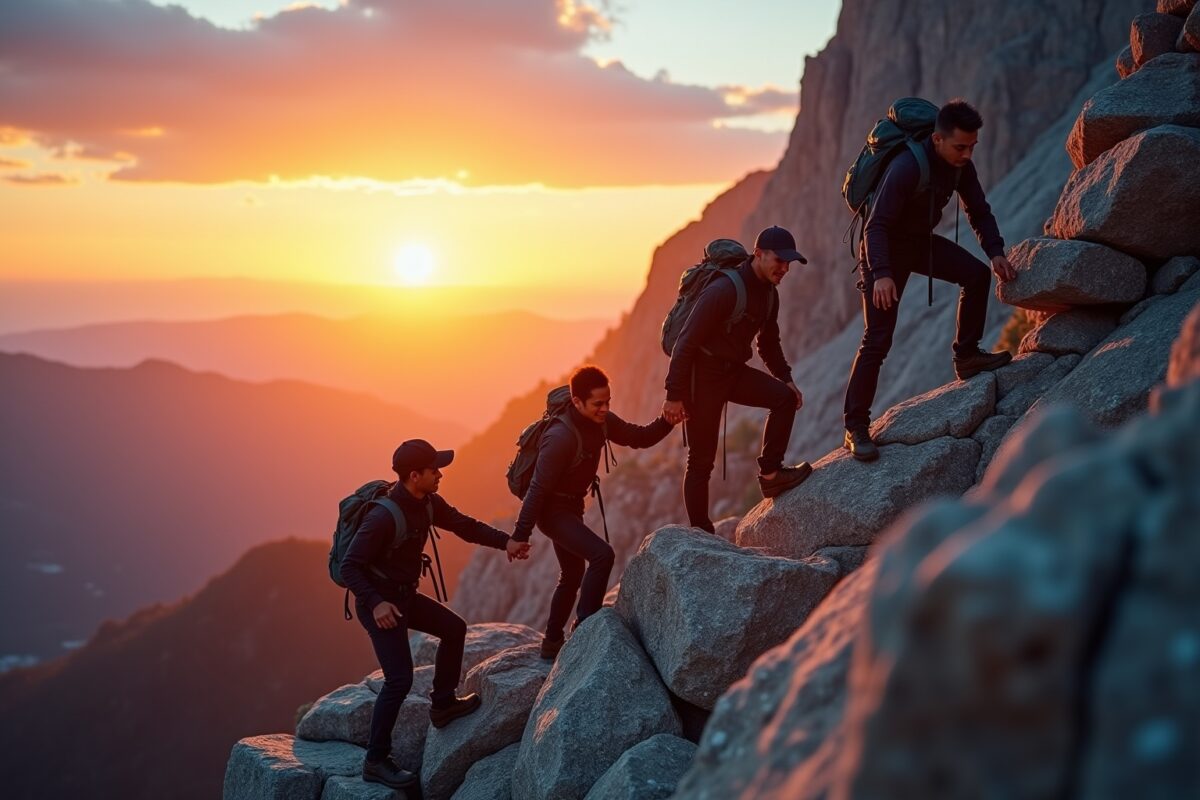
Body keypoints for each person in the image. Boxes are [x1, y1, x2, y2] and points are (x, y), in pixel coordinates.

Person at [340, 439, 530, 790]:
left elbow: (464, 525)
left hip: (404, 597)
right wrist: (376, 603)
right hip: (377, 604)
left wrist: (506, 541)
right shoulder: (383, 516)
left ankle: (442, 705)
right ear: (415, 475)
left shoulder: (427, 502)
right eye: (434, 470)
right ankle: (375, 760)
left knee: (454, 629)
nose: (440, 474)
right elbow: (350, 565)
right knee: (399, 680)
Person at [843, 99, 1016, 462]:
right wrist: (883, 275)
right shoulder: (907, 166)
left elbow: (978, 209)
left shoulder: (959, 166)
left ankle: (967, 356)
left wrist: (995, 250)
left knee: (977, 275)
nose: (967, 154)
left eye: (972, 147)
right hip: (883, 248)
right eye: (960, 147)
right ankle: (855, 427)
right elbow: (875, 225)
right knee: (878, 339)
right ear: (937, 139)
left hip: (918, 243)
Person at [511, 365, 675, 659]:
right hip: (552, 511)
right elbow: (537, 489)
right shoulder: (560, 437)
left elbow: (639, 437)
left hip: (571, 506)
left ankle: (551, 642)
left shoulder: (602, 422)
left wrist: (668, 421)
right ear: (577, 402)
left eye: (608, 402)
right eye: (598, 404)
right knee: (603, 555)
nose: (605, 408)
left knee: (572, 573)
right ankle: (586, 629)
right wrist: (520, 534)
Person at [662, 225, 812, 533]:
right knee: (701, 461)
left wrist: (786, 379)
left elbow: (768, 344)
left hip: (731, 371)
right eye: (779, 260)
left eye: (789, 263)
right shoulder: (724, 290)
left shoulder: (770, 294)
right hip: (702, 376)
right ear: (758, 254)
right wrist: (674, 394)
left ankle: (770, 475)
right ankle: (702, 534)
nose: (784, 268)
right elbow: (685, 342)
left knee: (784, 399)